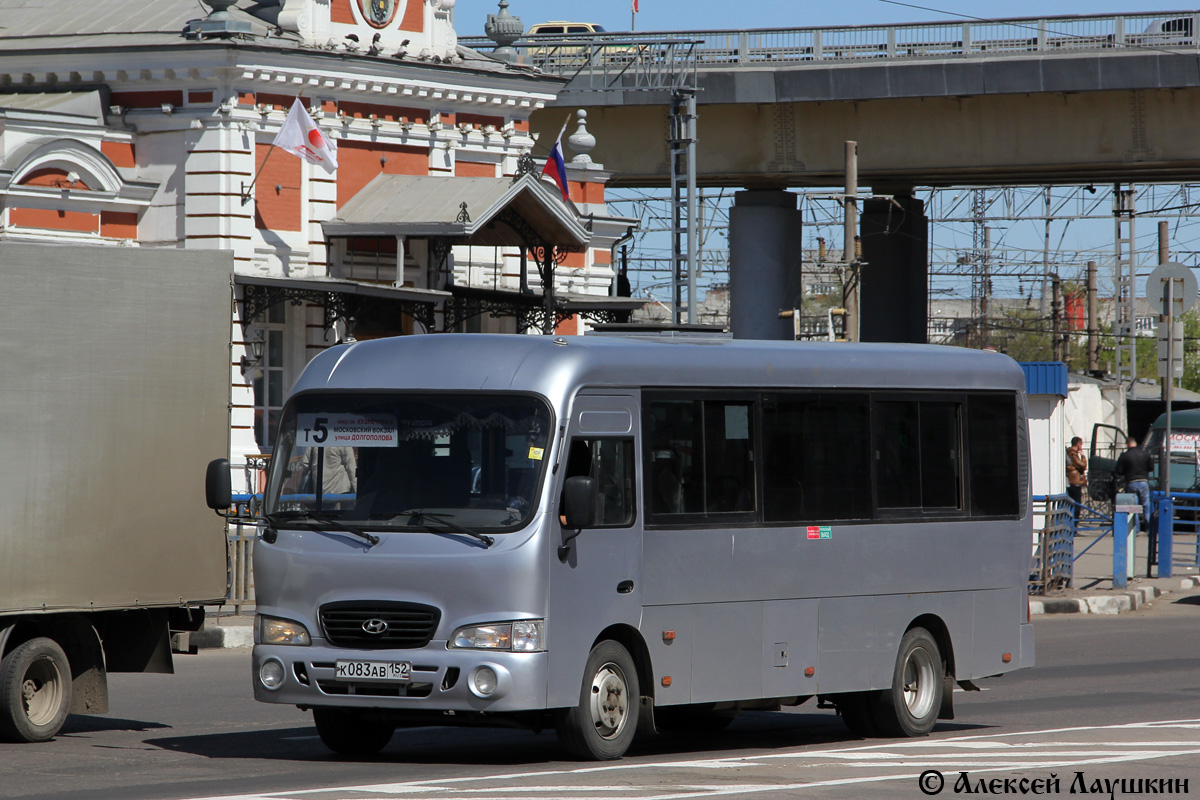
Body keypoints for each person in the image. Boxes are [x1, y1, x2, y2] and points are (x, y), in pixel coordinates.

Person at [1114, 436, 1153, 530]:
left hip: (1131, 482)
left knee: (1133, 507)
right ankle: (1148, 527)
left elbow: (1119, 471)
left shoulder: (1125, 455)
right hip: (1143, 482)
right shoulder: (1145, 454)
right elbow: (1151, 468)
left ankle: (1136, 529)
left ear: (1127, 444)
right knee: (1146, 505)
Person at [1065, 436, 1087, 524]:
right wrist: (1083, 456)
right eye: (1081, 444)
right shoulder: (1073, 454)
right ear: (1078, 445)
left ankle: (1072, 525)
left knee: (1072, 505)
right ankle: (1074, 526)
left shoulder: (1069, 453)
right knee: (1076, 506)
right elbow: (1083, 466)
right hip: (1075, 482)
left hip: (1072, 482)